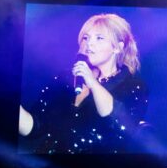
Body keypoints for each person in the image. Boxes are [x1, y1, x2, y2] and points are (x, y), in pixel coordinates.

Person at [19, 13, 148, 154]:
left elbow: (119, 124)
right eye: (86, 38)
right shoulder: (65, 78)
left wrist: (92, 82)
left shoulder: (132, 86)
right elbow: (36, 127)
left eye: (99, 38)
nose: (89, 44)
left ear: (117, 47)